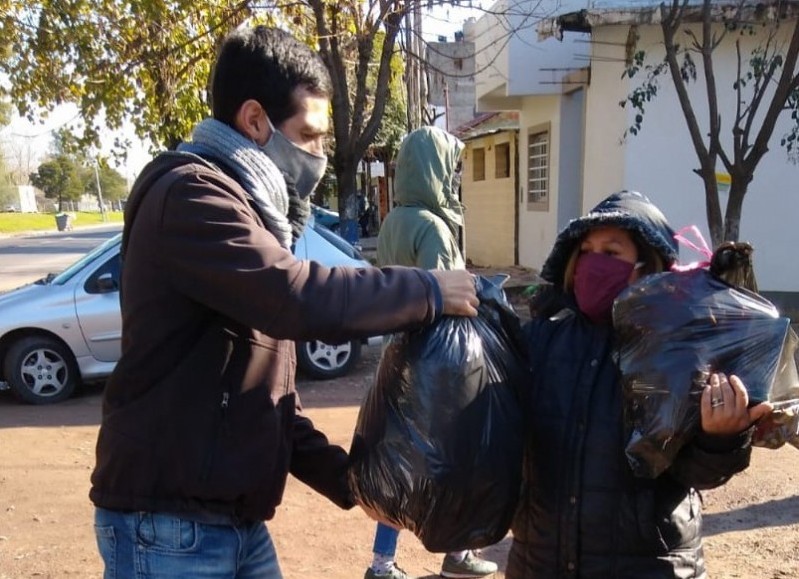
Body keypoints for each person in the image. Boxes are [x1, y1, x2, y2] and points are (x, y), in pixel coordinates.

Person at [89, 26, 479, 579]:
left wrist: (351, 484)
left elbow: (268, 400)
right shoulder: (191, 196)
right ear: (254, 121)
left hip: (233, 523)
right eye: (310, 136)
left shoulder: (255, 216)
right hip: (168, 528)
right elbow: (297, 296)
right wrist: (430, 288)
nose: (320, 155)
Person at [507, 190, 773, 578]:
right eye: (585, 251)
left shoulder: (679, 347)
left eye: (611, 253)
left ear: (646, 266)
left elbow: (697, 474)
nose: (594, 263)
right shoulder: (540, 341)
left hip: (648, 565)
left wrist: (721, 439)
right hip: (542, 561)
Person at [368, 126, 498, 579]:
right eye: (450, 167)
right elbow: (448, 305)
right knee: (457, 456)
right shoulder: (434, 228)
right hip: (434, 367)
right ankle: (459, 554)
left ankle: (382, 563)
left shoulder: (393, 220)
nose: (454, 176)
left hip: (396, 356)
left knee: (399, 463)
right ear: (434, 171)